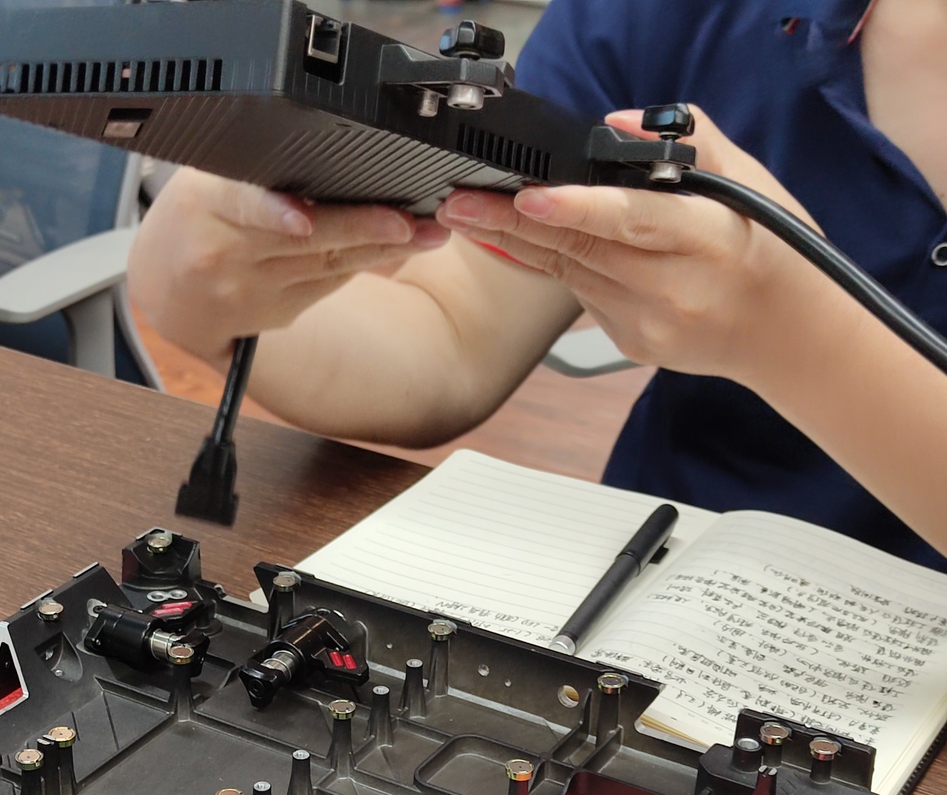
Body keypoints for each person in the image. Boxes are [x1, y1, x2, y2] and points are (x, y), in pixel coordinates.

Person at [128, 0, 947, 567]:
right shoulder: (670, 16)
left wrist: (800, 340)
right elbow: (453, 329)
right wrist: (209, 290)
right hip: (663, 611)